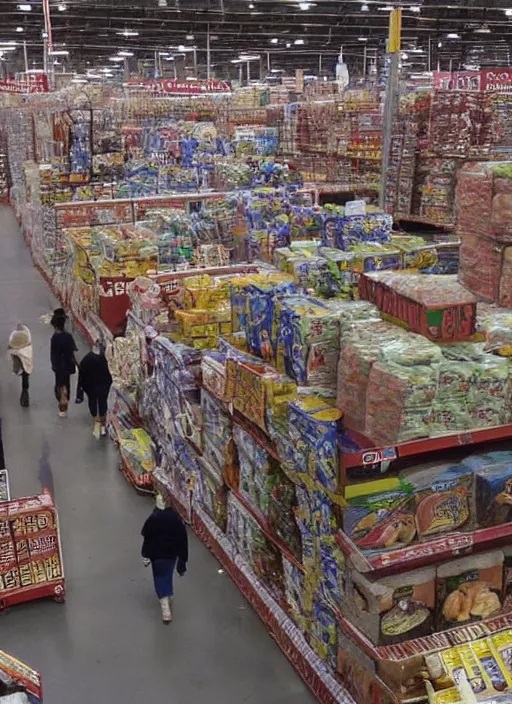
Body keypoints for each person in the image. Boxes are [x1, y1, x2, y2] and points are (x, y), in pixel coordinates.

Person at [141, 494, 188, 624]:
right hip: (171, 556)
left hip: (157, 556)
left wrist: (145, 555)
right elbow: (183, 540)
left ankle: (165, 608)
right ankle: (169, 594)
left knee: (159, 579)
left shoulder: (153, 519)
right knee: (167, 575)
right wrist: (182, 559)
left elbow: (147, 538)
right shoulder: (176, 520)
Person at [77, 340, 113, 439]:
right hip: (103, 386)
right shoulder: (104, 360)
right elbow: (109, 374)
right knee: (103, 404)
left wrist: (80, 389)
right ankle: (102, 425)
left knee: (92, 403)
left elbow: (81, 375)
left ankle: (96, 422)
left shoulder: (86, 359)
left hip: (90, 386)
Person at [50, 308, 78, 418]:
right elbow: (74, 348)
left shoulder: (54, 338)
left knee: (59, 383)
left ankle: (61, 402)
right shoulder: (68, 336)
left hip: (58, 365)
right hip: (67, 364)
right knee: (66, 383)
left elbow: (53, 353)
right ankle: (65, 398)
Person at [8, 324, 33, 408]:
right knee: (25, 376)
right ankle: (25, 394)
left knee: (24, 376)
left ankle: (24, 394)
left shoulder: (14, 338)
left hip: (18, 357)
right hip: (25, 358)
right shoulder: (26, 339)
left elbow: (11, 350)